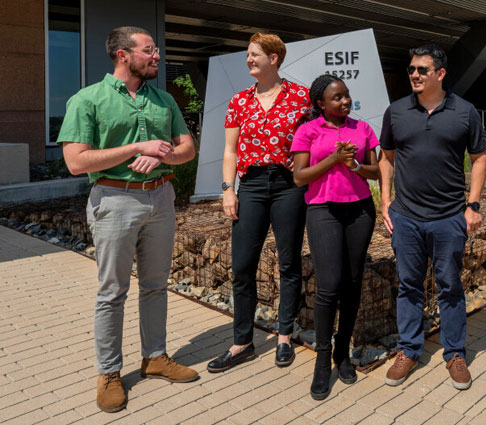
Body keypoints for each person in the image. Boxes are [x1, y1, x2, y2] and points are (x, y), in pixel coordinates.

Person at [59, 26, 198, 413]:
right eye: (149, 50)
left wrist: (163, 156)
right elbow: (75, 162)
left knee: (155, 285)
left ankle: (155, 357)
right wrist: (137, 146)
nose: (157, 56)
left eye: (156, 50)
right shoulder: (88, 99)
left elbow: (186, 148)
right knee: (112, 292)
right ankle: (108, 372)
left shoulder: (163, 99)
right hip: (113, 200)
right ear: (124, 55)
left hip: (161, 197)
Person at [378, 44, 486, 390]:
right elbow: (387, 157)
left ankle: (454, 352)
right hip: (406, 218)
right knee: (409, 286)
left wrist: (472, 205)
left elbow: (480, 157)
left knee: (450, 286)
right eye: (411, 69)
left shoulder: (465, 111)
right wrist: (385, 200)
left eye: (422, 70)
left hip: (447, 218)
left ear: (440, 74)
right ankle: (409, 349)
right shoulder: (396, 112)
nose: (414, 75)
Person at [207, 33, 311, 373]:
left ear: (274, 58)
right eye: (248, 55)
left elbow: (315, 142)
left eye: (255, 54)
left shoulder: (301, 97)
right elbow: (230, 152)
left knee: (288, 263)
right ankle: (242, 343)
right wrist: (228, 189)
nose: (249, 60)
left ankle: (284, 335)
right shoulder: (239, 101)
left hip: (288, 186)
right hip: (250, 185)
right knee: (242, 266)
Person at [290, 74, 380, 400]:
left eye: (346, 96)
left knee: (353, 282)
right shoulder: (307, 130)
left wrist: (354, 164)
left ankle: (342, 353)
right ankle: (322, 360)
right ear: (320, 104)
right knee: (328, 286)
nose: (344, 102)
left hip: (360, 212)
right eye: (337, 98)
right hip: (323, 211)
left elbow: (376, 171)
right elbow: (300, 178)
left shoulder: (363, 129)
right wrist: (333, 159)